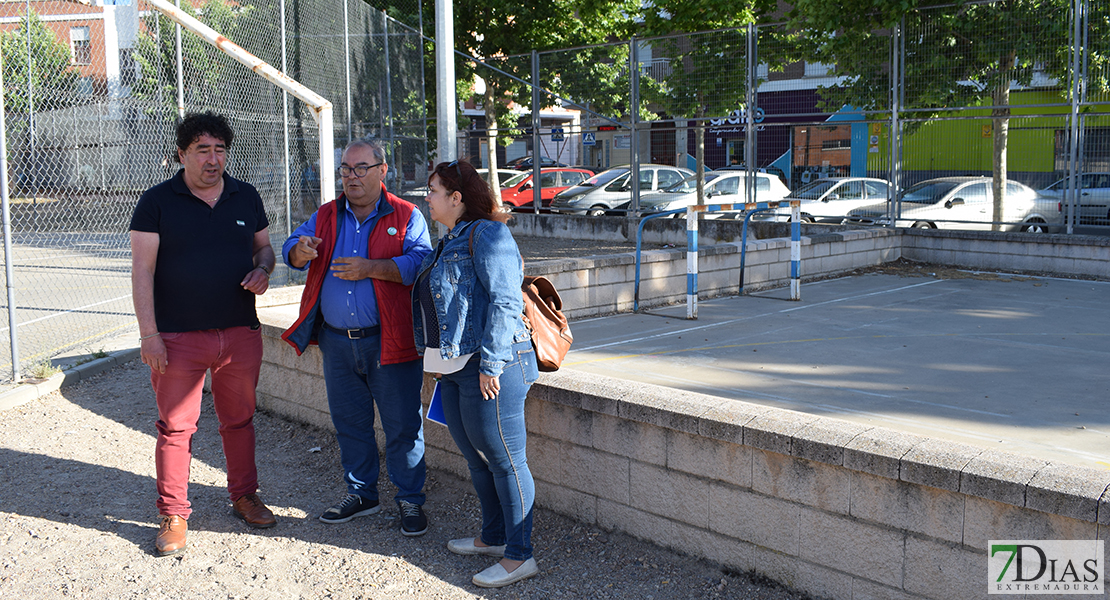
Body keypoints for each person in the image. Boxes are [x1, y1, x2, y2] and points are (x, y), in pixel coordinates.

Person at [130, 111, 278, 558]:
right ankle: (174, 514)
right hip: (177, 338)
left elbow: (265, 248)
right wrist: (149, 334)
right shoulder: (156, 202)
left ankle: (244, 496)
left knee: (240, 420)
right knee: (176, 427)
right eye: (202, 150)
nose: (213, 160)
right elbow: (142, 270)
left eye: (219, 150)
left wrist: (263, 269)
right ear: (181, 154)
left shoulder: (245, 196)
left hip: (239, 333)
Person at [281, 140, 433, 536]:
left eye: (360, 168)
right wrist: (301, 251)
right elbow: (290, 252)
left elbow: (421, 262)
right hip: (336, 342)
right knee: (350, 422)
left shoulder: (407, 214)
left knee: (402, 425)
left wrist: (372, 268)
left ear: (383, 171)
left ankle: (410, 500)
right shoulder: (326, 215)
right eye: (346, 169)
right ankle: (362, 494)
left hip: (390, 340)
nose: (351, 177)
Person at [414, 159, 540, 588]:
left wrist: (490, 365)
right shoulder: (451, 238)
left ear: (457, 198)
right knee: (476, 457)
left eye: (432, 191)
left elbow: (507, 301)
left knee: (506, 461)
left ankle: (520, 555)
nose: (425, 198)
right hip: (454, 367)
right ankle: (493, 537)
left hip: (494, 365)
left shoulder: (489, 233)